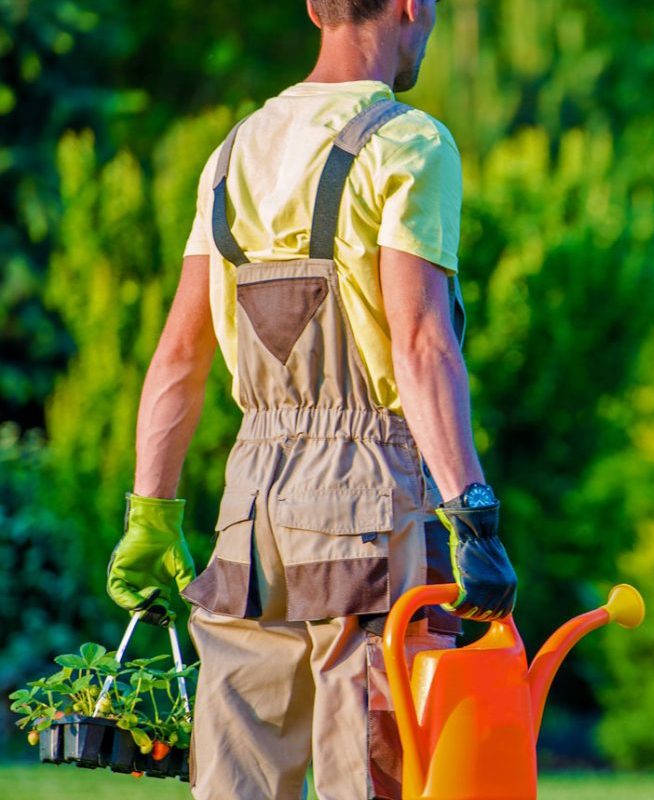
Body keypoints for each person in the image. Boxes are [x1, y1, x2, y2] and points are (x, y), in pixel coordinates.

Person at [106, 1, 517, 798]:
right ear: (410, 5)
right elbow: (421, 344)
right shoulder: (409, 143)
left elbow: (180, 355)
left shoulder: (233, 152)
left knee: (235, 776)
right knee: (372, 768)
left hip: (250, 506)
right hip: (368, 498)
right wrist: (473, 512)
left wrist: (150, 514)